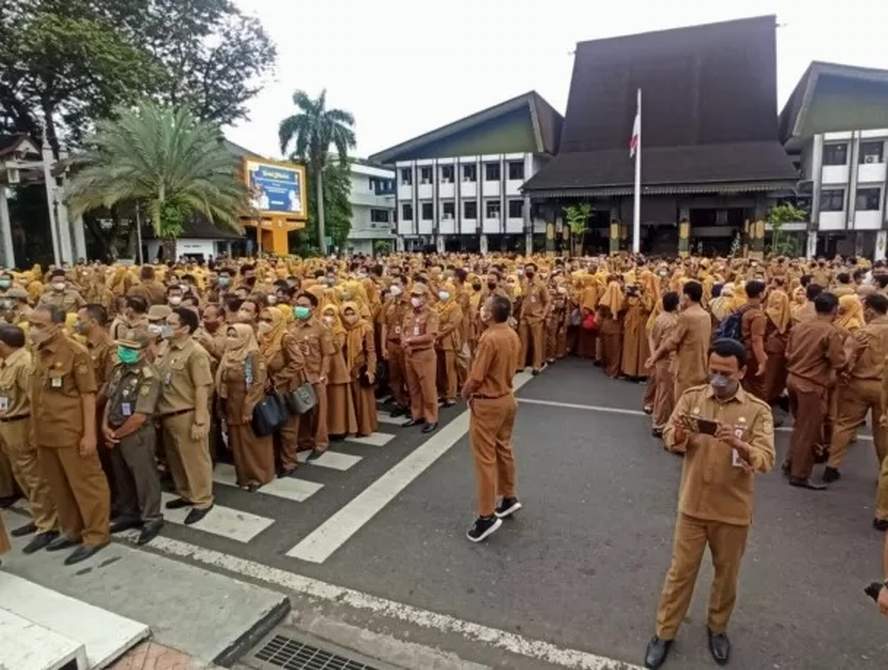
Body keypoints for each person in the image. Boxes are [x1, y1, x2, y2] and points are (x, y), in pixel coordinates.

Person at [645, 338, 775, 669]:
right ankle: (664, 632)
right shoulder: (692, 398)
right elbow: (669, 436)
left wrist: (740, 445)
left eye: (726, 373)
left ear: (742, 372)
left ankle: (718, 628)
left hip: (732, 512)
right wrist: (681, 435)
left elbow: (766, 460)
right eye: (713, 371)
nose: (717, 379)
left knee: (726, 576)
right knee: (680, 573)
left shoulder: (757, 411)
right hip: (693, 506)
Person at [29, 304, 110, 565]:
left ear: (58, 326)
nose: (33, 330)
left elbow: (88, 396)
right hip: (46, 432)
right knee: (59, 486)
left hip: (71, 432)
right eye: (31, 324)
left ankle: (96, 534)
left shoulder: (76, 353)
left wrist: (89, 435)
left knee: (86, 484)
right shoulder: (38, 351)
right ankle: (71, 530)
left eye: (39, 326)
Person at [461, 294, 522, 543]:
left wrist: (465, 392)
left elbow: (477, 376)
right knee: (503, 448)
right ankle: (508, 496)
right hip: (507, 398)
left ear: (491, 313)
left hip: (488, 403)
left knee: (485, 460)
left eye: (485, 307)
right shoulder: (511, 334)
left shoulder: (489, 338)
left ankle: (486, 516)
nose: (482, 310)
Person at [101, 329, 164, 545]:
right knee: (122, 475)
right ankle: (129, 512)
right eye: (123, 346)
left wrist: (115, 435)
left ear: (144, 351)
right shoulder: (119, 369)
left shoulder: (149, 377)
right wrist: (104, 427)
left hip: (136, 434)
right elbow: (110, 399)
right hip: (115, 429)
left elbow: (140, 416)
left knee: (144, 477)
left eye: (130, 348)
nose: (124, 351)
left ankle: (151, 517)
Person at [0, 324, 59, 552]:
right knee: (21, 474)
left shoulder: (23, 364)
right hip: (8, 426)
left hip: (22, 425)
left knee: (35, 477)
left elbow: (37, 402)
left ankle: (49, 525)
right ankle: (39, 516)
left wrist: (35, 431)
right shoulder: (7, 363)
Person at [155, 307, 215, 523]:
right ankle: (186, 494)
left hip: (186, 414)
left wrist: (200, 420)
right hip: (167, 413)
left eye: (171, 324)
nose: (165, 327)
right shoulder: (165, 346)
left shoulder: (196, 352)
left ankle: (202, 500)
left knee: (195, 460)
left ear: (185, 328)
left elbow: (202, 388)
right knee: (176, 459)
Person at [784, 292, 844, 490]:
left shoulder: (799, 326)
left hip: (792, 379)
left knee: (800, 425)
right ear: (834, 309)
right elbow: (838, 361)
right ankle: (800, 474)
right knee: (809, 430)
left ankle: (791, 462)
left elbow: (788, 353)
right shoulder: (830, 332)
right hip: (811, 384)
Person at [216, 323, 274, 490]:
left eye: (235, 336)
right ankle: (244, 475)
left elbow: (258, 383)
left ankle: (259, 476)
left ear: (245, 337)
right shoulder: (229, 354)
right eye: (229, 335)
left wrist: (248, 407)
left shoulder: (253, 355)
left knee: (252, 442)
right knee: (238, 442)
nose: (230, 339)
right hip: (232, 404)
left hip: (248, 404)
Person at [647, 281, 711, 400]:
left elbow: (672, 342)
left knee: (681, 401)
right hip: (701, 366)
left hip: (685, 369)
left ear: (686, 296)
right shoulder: (706, 316)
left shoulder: (686, 316)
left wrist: (655, 356)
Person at [292, 292, 335, 458]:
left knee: (319, 412)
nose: (299, 308)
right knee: (301, 410)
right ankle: (304, 441)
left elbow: (327, 354)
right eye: (298, 305)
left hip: (315, 375)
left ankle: (320, 443)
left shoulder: (321, 328)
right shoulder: (292, 327)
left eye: (304, 305)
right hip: (298, 376)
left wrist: (323, 374)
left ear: (313, 308)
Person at [402, 283, 440, 433]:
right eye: (412, 295)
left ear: (425, 296)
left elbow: (430, 335)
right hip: (410, 354)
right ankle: (417, 415)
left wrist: (410, 340)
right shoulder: (409, 313)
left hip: (424, 354)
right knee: (413, 387)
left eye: (417, 295)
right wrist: (404, 341)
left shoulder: (431, 314)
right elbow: (403, 330)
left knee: (428, 388)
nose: (414, 298)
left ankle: (431, 418)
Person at [342, 301, 378, 436]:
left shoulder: (365, 328)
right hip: (346, 367)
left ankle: (365, 427)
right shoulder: (343, 328)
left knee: (362, 399)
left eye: (352, 313)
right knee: (350, 398)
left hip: (360, 367)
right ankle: (352, 426)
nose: (349, 317)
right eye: (346, 314)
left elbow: (371, 350)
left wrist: (370, 369)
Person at [649, 292, 680, 437]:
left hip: (659, 358)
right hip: (667, 359)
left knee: (660, 390)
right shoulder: (673, 322)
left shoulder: (659, 317)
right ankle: (660, 423)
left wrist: (653, 355)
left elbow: (652, 337)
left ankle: (657, 418)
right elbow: (667, 345)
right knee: (666, 393)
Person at [517, 262, 549, 375]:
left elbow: (547, 301)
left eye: (530, 270)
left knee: (537, 342)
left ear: (535, 271)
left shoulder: (541, 285)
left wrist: (543, 315)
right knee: (522, 342)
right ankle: (520, 364)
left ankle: (537, 365)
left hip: (536, 317)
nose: (528, 272)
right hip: (524, 317)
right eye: (527, 270)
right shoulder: (524, 283)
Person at [739, 280, 768, 400]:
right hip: (751, 355)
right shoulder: (757, 315)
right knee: (757, 388)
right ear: (761, 294)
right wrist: (761, 361)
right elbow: (756, 340)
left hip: (741, 350)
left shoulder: (742, 308)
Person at [435, 286, 462, 406]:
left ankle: (451, 395)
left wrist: (438, 334)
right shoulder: (437, 305)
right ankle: (442, 393)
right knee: (439, 369)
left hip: (449, 340)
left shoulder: (455, 307)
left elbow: (452, 324)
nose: (443, 293)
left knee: (450, 369)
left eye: (446, 291)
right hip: (437, 342)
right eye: (442, 291)